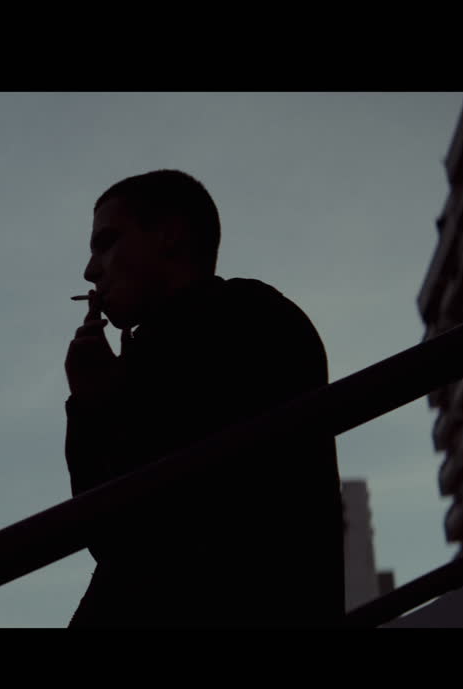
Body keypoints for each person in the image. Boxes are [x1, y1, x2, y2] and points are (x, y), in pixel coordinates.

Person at [64, 169, 343, 628]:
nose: (91, 271)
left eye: (107, 242)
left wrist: (104, 402)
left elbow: (139, 533)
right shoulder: (168, 346)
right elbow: (109, 533)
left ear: (169, 235)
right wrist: (92, 403)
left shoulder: (248, 320)